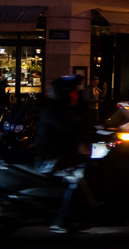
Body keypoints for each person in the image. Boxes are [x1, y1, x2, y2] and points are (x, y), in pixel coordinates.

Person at [35, 74, 89, 233]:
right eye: (73, 91)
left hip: (60, 156)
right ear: (64, 94)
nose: (76, 94)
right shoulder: (54, 111)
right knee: (77, 179)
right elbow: (71, 128)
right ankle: (62, 219)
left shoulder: (62, 109)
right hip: (51, 158)